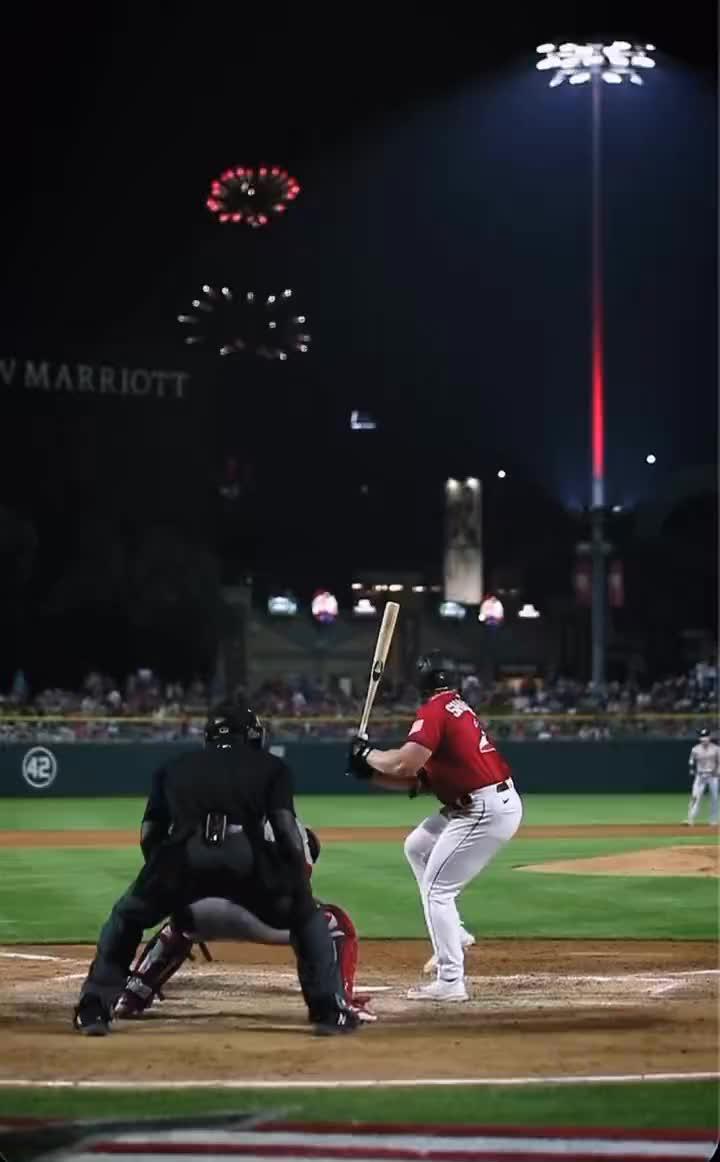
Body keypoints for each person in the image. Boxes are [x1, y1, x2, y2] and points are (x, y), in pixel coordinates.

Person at [73, 702, 360, 1037]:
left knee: (126, 917)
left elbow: (149, 834)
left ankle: (95, 1008)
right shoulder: (272, 767)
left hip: (183, 860)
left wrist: (161, 881)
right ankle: (329, 1011)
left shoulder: (173, 766)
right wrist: (294, 888)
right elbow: (286, 832)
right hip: (246, 862)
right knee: (309, 918)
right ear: (252, 735)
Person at [347, 652, 523, 1002]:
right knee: (417, 846)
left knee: (437, 892)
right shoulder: (456, 707)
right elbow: (420, 780)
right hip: (481, 803)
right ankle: (455, 933)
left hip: (481, 809)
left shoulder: (435, 710)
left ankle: (451, 980)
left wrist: (366, 754)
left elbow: (406, 762)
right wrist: (370, 773)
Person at [114, 821, 375, 1022]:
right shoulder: (278, 810)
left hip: (195, 918)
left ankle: (132, 994)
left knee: (175, 928)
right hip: (263, 916)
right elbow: (301, 874)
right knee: (335, 923)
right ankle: (339, 1001)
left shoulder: (190, 810)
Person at [684, 728, 720, 826]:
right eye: (702, 737)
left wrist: (717, 771)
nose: (704, 739)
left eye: (706, 736)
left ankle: (713, 820)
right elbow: (691, 761)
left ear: (710, 737)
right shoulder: (695, 749)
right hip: (700, 776)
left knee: (714, 798)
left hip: (713, 777)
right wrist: (692, 770)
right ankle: (690, 819)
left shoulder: (716, 749)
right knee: (695, 797)